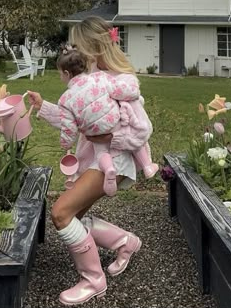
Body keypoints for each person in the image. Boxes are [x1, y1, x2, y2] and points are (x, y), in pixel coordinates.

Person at [27, 16, 157, 306]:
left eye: (78, 44)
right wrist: (43, 106)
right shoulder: (92, 78)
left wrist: (108, 140)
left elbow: (140, 127)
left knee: (61, 213)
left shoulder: (118, 80)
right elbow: (74, 117)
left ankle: (93, 280)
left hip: (114, 161)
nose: (74, 49)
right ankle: (125, 242)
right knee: (74, 215)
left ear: (93, 47)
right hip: (99, 160)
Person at [56, 44, 158, 197]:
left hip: (93, 131)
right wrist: (133, 93)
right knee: (137, 142)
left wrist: (66, 143)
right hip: (113, 121)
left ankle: (108, 167)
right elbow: (118, 90)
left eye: (60, 74)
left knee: (101, 152)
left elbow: (68, 128)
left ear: (66, 73)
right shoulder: (99, 78)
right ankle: (147, 166)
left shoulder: (65, 99)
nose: (60, 77)